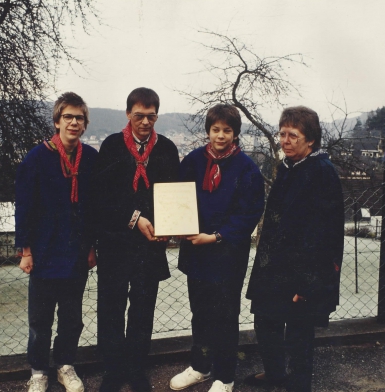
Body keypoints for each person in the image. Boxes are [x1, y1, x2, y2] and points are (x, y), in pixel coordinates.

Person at [244, 106, 344, 392]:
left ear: (310, 140)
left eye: (293, 135)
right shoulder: (289, 166)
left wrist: (308, 284)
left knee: (299, 332)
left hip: (302, 272)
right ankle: (275, 373)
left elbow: (326, 236)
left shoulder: (322, 173)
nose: (285, 141)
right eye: (282, 133)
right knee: (265, 319)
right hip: (275, 268)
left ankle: (299, 385)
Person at [169, 104, 265, 392]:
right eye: (215, 130)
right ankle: (200, 366)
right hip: (196, 252)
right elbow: (177, 197)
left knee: (225, 316)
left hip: (227, 254)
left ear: (235, 133)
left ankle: (225, 376)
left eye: (227, 130)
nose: (220, 135)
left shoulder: (246, 167)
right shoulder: (194, 160)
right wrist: (177, 227)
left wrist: (217, 236)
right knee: (200, 312)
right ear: (208, 130)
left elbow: (249, 213)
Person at [91, 87, 180, 392]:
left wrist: (169, 225)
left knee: (143, 308)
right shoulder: (112, 146)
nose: (145, 122)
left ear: (157, 115)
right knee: (111, 306)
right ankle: (113, 369)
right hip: (116, 239)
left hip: (150, 243)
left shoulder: (167, 148)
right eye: (139, 115)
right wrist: (134, 218)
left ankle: (137, 367)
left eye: (151, 116)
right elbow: (102, 197)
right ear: (128, 113)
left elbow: (174, 195)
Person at [15, 92, 98, 392]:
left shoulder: (90, 158)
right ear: (57, 120)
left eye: (79, 118)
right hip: (44, 250)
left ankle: (65, 365)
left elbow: (92, 207)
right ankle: (39, 370)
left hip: (75, 252)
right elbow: (23, 206)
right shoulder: (37, 157)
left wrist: (91, 246)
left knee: (72, 318)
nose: (74, 122)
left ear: (85, 124)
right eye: (68, 117)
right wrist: (25, 250)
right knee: (40, 320)